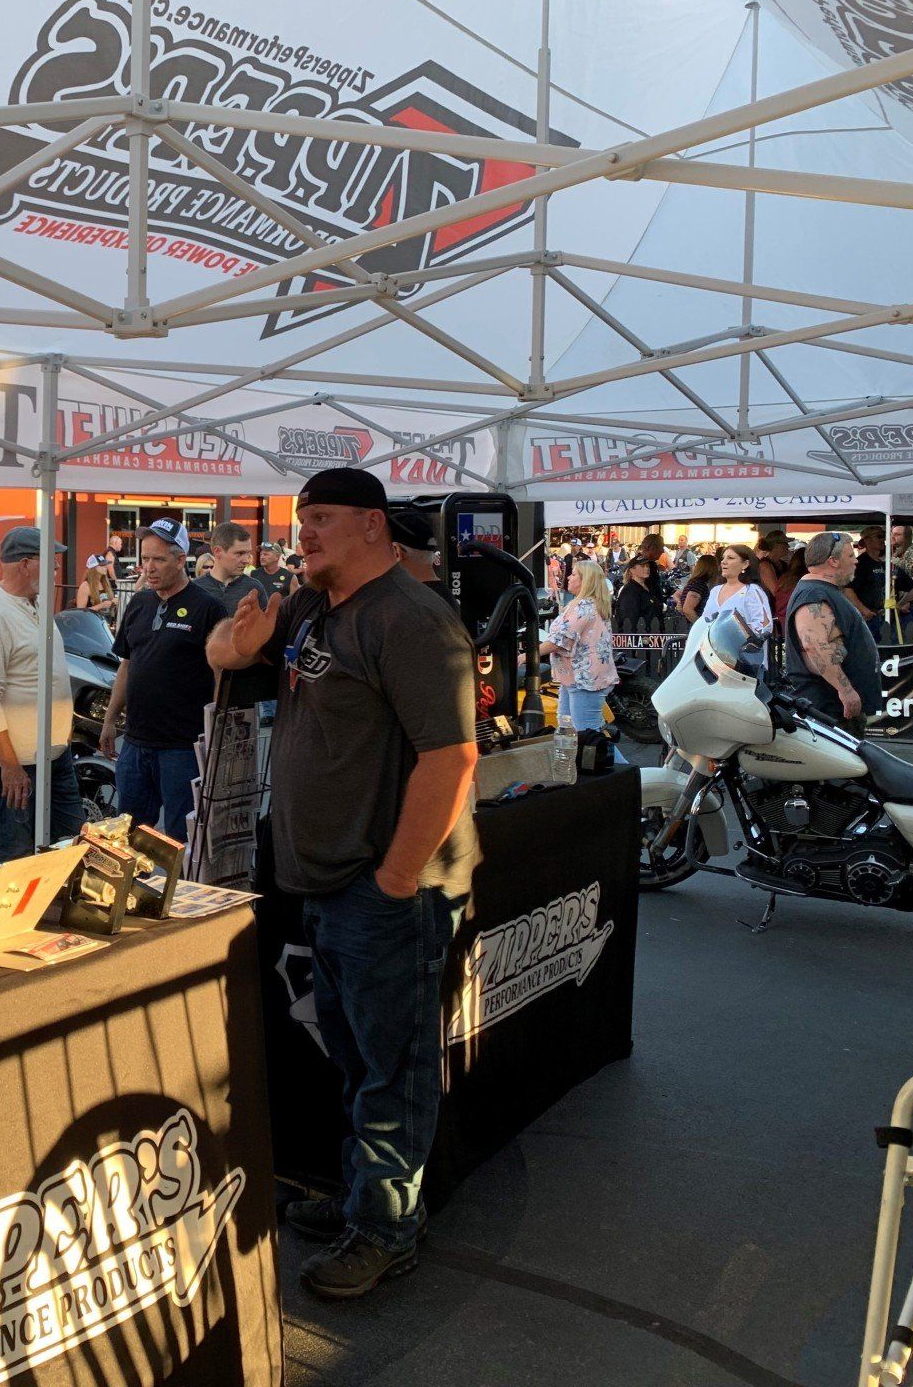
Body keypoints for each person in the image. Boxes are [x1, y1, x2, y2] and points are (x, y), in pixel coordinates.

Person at [206, 467, 478, 1299]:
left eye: (321, 517)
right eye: (302, 519)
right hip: (325, 880)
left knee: (391, 1066)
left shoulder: (412, 619)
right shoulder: (311, 607)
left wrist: (396, 878)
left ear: (372, 525)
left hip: (383, 886)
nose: (305, 532)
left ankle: (388, 1227)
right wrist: (242, 641)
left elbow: (451, 758)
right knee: (356, 1056)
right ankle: (367, 1198)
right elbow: (219, 656)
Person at [99, 519, 224, 842]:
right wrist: (110, 719)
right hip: (136, 744)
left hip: (182, 748)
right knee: (127, 836)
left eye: (159, 559)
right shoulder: (139, 603)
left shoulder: (208, 608)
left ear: (181, 560)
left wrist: (218, 735)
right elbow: (127, 665)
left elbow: (221, 676)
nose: (149, 568)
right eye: (145, 558)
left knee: (181, 840)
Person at [0, 526, 79, 859]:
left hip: (55, 754)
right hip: (18, 761)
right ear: (26, 564)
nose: (56, 569)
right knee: (15, 858)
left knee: (71, 848)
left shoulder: (37, 603)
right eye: (51, 562)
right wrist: (11, 766)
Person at [786, 531, 882, 733]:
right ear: (833, 561)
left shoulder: (823, 591)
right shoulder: (813, 594)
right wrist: (846, 691)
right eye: (850, 555)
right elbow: (815, 646)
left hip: (836, 709)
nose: (856, 561)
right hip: (827, 709)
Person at [544, 561, 618, 758]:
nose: (568, 577)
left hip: (583, 679)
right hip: (575, 678)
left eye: (574, 574)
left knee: (587, 734)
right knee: (570, 729)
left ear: (586, 581)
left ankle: (626, 770)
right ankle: (570, 768)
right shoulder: (588, 604)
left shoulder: (584, 606)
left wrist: (528, 654)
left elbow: (561, 640)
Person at [700, 544, 773, 673]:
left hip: (744, 666)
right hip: (714, 663)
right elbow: (704, 622)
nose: (724, 562)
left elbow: (764, 627)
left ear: (745, 564)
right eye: (723, 558)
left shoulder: (751, 591)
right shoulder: (715, 591)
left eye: (730, 558)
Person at [848, 524, 913, 644]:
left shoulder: (886, 565)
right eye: (879, 536)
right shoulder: (860, 564)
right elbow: (847, 590)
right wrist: (864, 610)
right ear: (867, 540)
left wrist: (901, 603)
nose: (883, 539)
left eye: (883, 536)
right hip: (869, 619)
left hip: (887, 618)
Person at [193, 523, 260, 612]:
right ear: (217, 552)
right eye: (240, 553)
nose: (246, 560)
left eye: (248, 553)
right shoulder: (194, 589)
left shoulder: (254, 588)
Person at [673, 553, 718, 624]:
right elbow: (688, 610)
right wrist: (701, 626)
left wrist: (679, 602)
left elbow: (677, 594)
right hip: (691, 625)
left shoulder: (694, 583)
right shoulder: (699, 585)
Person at [76, 555, 118, 620]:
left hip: (106, 621)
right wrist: (100, 606)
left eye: (105, 564)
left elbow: (107, 606)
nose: (106, 567)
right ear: (94, 568)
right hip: (92, 622)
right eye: (102, 565)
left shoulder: (105, 583)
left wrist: (112, 602)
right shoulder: (85, 586)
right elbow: (80, 612)